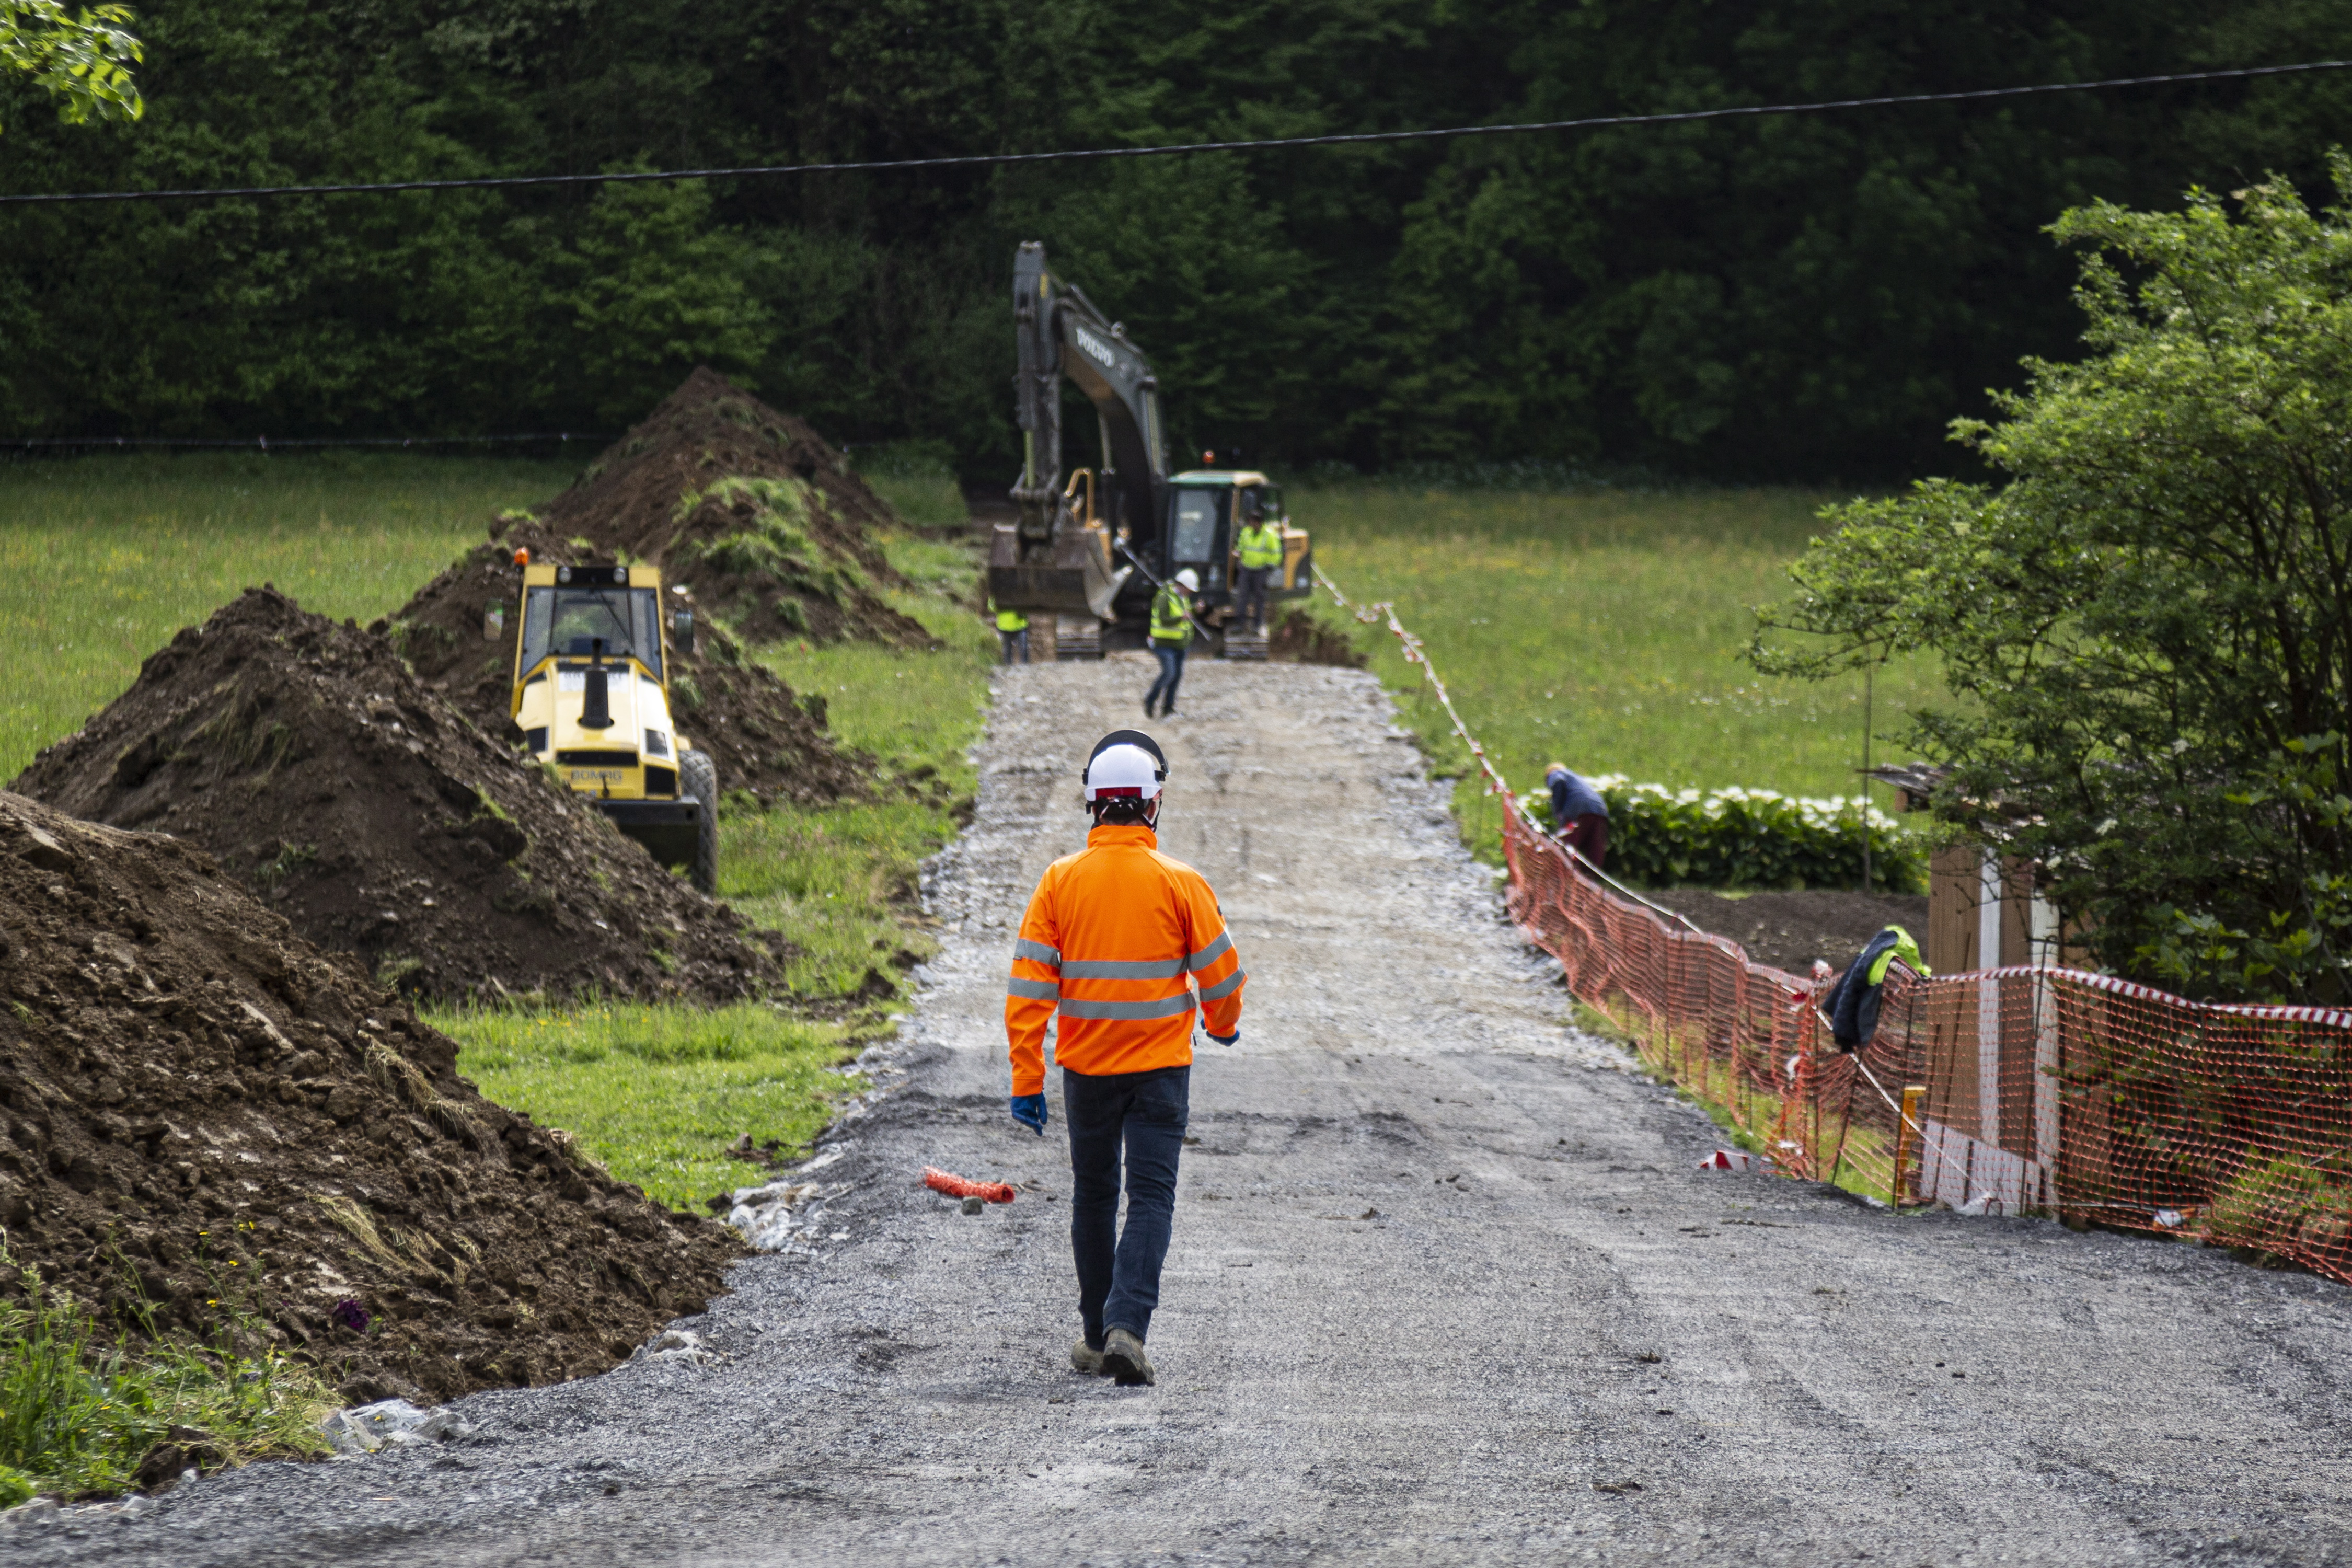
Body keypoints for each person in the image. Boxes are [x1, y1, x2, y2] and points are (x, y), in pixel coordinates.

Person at [1005, 731, 1246, 1387]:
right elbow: (1222, 978)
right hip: (1161, 1070)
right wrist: (1223, 1025)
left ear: (1092, 804)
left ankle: (1094, 1334)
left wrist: (1029, 1079)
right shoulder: (1181, 882)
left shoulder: (1058, 883)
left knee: (1094, 1195)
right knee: (1151, 1196)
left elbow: (1029, 990)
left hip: (1086, 1071)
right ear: (1154, 804)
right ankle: (1127, 1329)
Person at [1143, 569, 1198, 718]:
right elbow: (1164, 619)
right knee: (1169, 674)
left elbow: (1182, 615)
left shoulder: (1181, 598)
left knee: (1177, 675)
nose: (1191, 593)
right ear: (1182, 586)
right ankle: (1150, 701)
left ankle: (1168, 708)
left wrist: (1194, 610)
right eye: (1190, 589)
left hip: (1180, 645)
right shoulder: (1164, 597)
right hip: (1164, 644)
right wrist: (1182, 618)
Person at [1546, 762, 1610, 871]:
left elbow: (1558, 782)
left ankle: (1565, 874)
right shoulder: (1576, 778)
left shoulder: (1555, 773)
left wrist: (1558, 812)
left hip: (1577, 809)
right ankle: (1590, 878)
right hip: (1600, 809)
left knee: (1568, 844)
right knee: (1594, 847)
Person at [1233, 495, 1282, 635]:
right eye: (1249, 522)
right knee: (1242, 597)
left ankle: (1258, 624)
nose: (1251, 525)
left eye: (1253, 522)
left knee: (1259, 598)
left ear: (1259, 523)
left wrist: (1270, 566)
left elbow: (1276, 553)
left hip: (1261, 570)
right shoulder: (1246, 532)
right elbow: (1241, 547)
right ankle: (1240, 624)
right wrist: (1238, 554)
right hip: (1246, 569)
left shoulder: (1269, 535)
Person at [994, 599, 1030, 665]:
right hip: (1006, 626)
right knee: (1007, 651)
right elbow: (992, 606)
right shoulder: (999, 592)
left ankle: (1025, 668)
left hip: (1019, 624)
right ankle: (1008, 667)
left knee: (1023, 649)